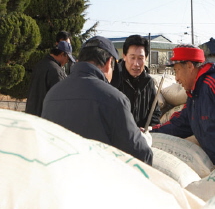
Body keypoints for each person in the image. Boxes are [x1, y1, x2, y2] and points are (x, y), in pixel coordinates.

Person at [41, 36, 153, 165]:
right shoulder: (115, 99)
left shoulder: (52, 95)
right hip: (98, 180)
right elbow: (140, 155)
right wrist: (145, 142)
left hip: (59, 177)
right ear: (108, 63)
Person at [110, 34, 161, 128]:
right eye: (132, 57)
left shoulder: (148, 82)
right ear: (124, 56)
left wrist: (149, 129)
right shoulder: (113, 79)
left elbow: (154, 113)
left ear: (146, 58)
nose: (136, 64)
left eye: (140, 58)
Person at [25, 40, 75, 117]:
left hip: (31, 114)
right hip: (46, 118)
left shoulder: (39, 64)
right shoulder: (56, 71)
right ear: (62, 54)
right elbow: (59, 99)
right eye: (68, 59)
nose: (67, 62)